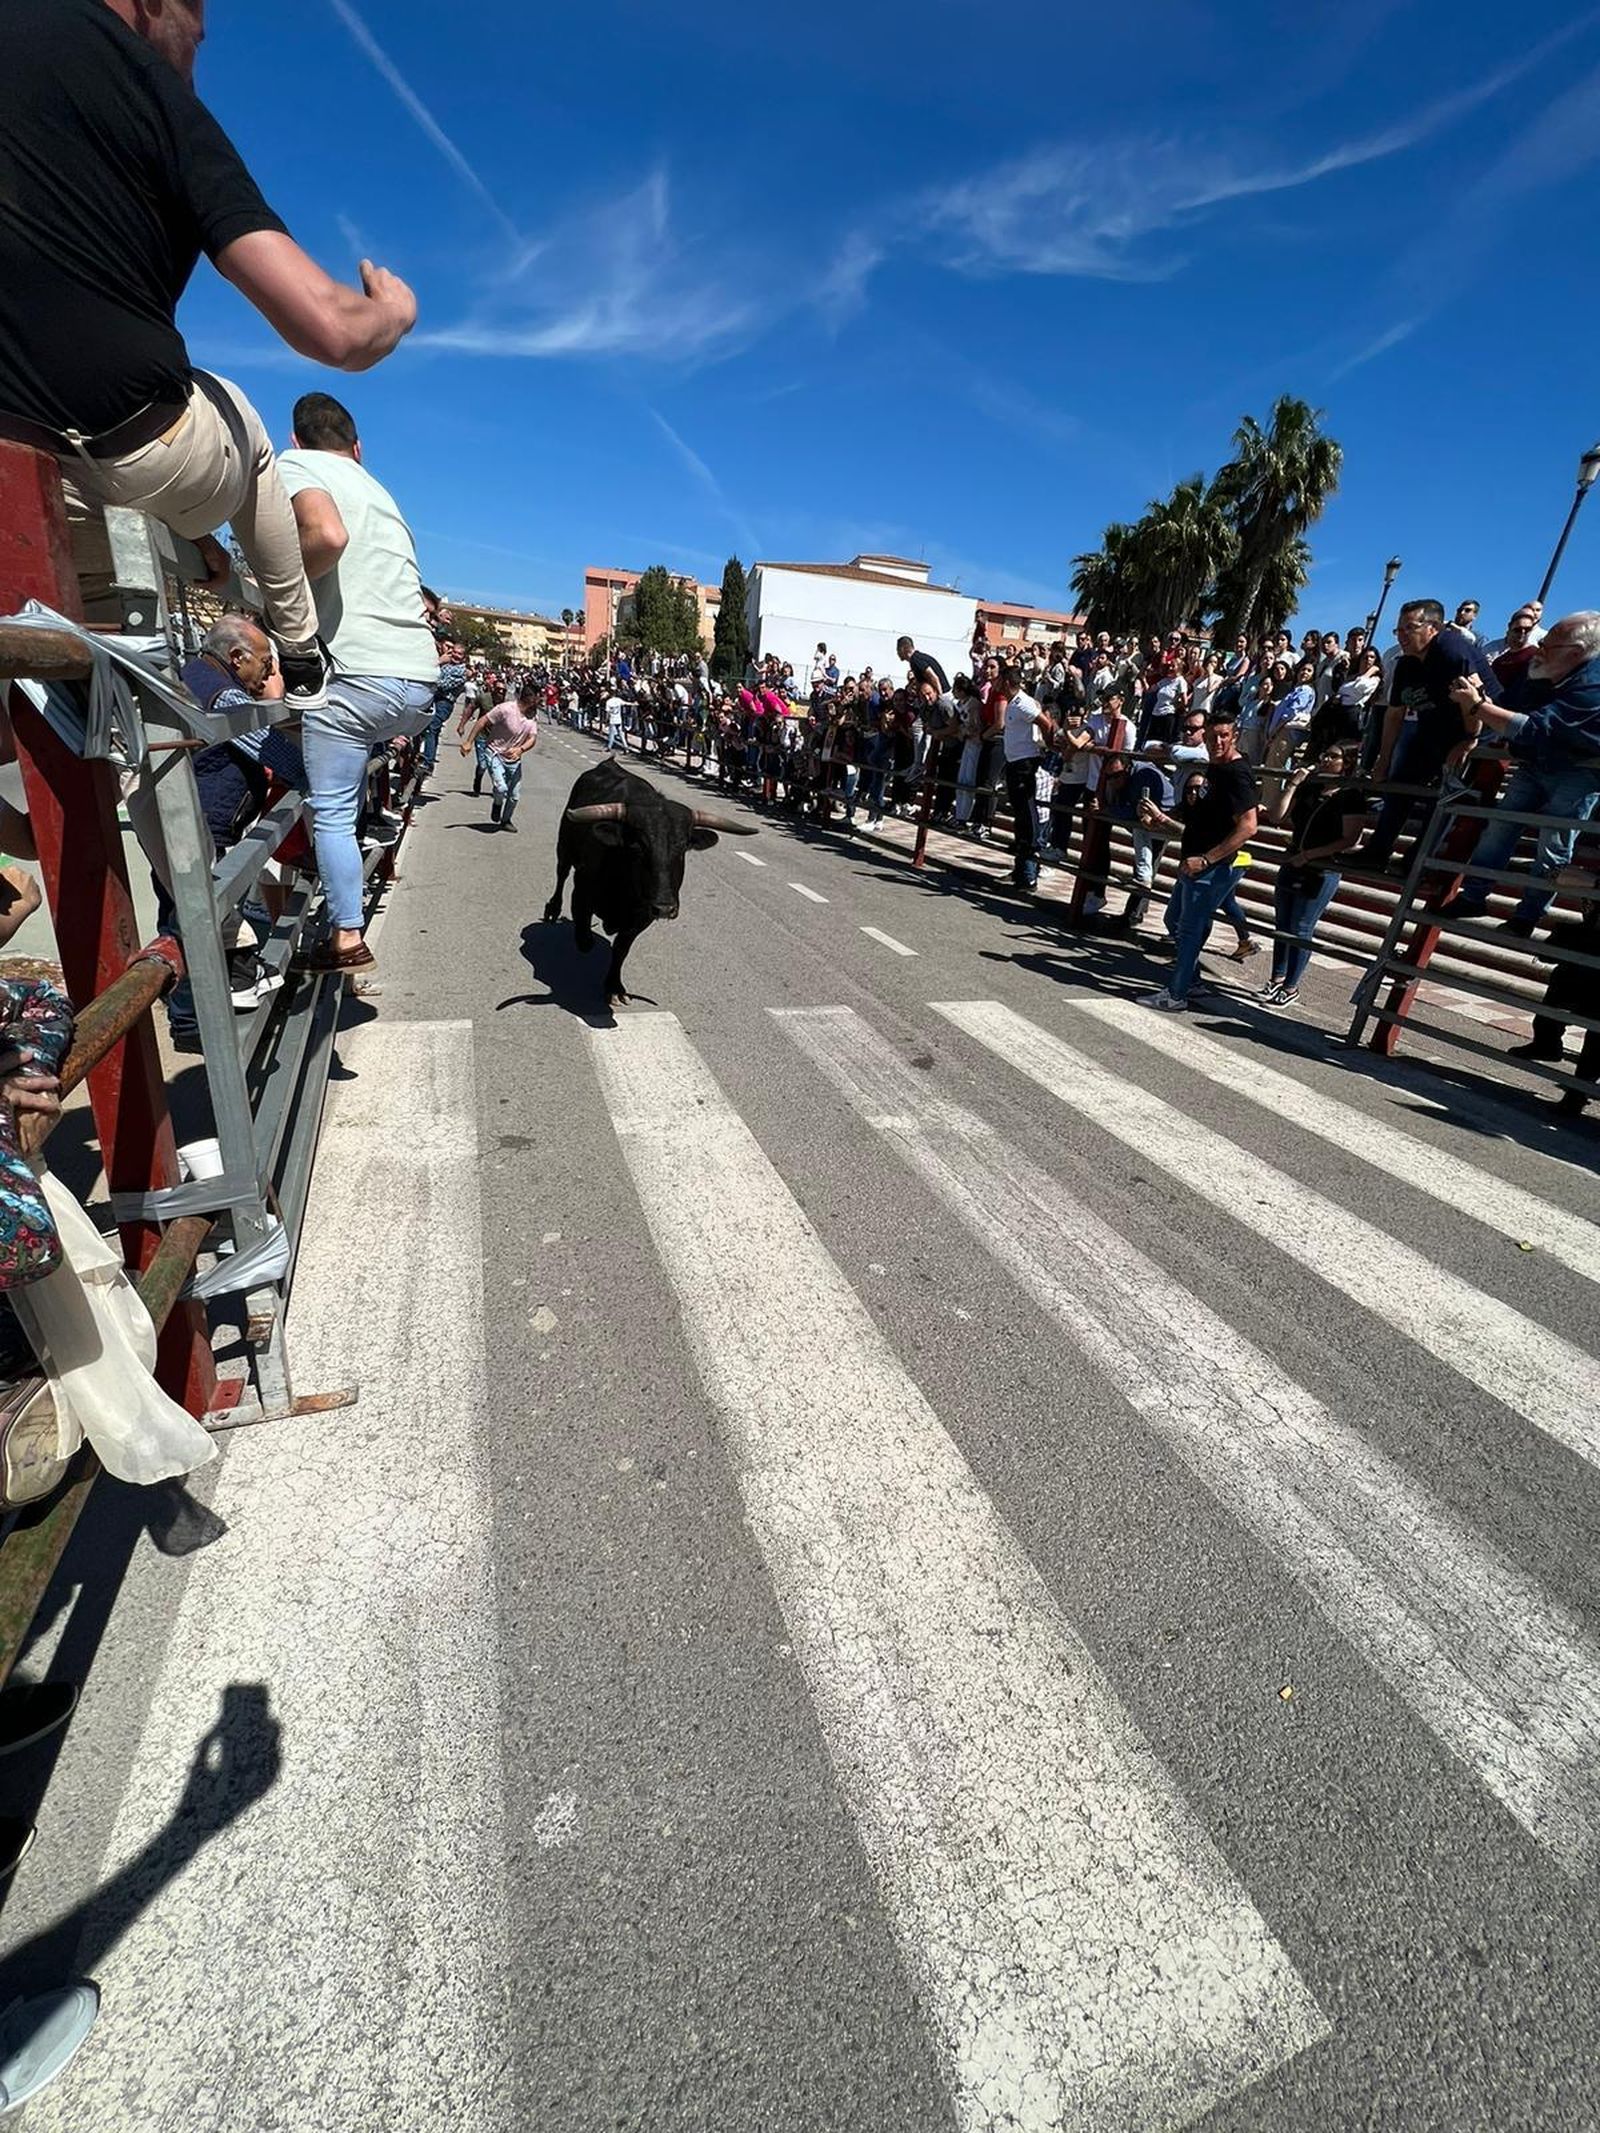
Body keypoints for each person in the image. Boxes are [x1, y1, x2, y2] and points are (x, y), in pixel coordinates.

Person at [0, 0, 417, 707]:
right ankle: (300, 645)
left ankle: (204, 564)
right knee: (247, 432)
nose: (199, 40)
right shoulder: (158, 94)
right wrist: (391, 312)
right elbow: (331, 329)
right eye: (198, 20)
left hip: (19, 459)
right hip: (134, 441)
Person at [277, 393, 436, 978]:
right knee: (352, 768)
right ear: (358, 447)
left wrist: (278, 586)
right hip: (418, 682)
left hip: (357, 678)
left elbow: (327, 536)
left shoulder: (296, 466)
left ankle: (345, 935)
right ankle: (375, 832)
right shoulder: (382, 492)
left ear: (297, 440)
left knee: (332, 813)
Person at [1447, 612, 1600, 934]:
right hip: (1534, 763)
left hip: (1579, 773)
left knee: (1553, 843)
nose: (1539, 647)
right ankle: (1473, 897)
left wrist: (1477, 707)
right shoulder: (1543, 668)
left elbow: (1533, 728)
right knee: (1499, 829)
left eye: (1548, 644)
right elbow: (1508, 704)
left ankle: (1528, 916)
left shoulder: (1593, 685)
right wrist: (1481, 693)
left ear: (1576, 653)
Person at [1363, 598, 1501, 871]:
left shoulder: (1452, 652)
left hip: (1476, 728)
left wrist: (1468, 740)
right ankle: (1376, 852)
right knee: (1400, 781)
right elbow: (1394, 714)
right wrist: (1383, 760)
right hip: (1433, 728)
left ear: (1433, 628)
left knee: (1444, 795)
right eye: (1398, 630)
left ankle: (1417, 862)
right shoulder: (1406, 664)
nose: (1402, 636)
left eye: (1409, 628)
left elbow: (1475, 702)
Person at [1138, 706, 1258, 1012]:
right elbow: (1204, 815)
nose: (1218, 742)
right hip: (1194, 860)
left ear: (1235, 736)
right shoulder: (1216, 768)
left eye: (1224, 736)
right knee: (1174, 920)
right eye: (1212, 736)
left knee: (1189, 927)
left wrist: (1206, 860)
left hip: (1210, 866)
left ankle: (1176, 994)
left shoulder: (1236, 773)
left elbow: (1248, 826)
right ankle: (1190, 981)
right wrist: (1162, 819)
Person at [1257, 742, 1369, 1008]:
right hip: (1294, 858)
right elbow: (1277, 816)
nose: (1325, 759)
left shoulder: (1350, 795)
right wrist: (1293, 785)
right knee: (1283, 923)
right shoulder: (1311, 786)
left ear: (1347, 763)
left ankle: (1291, 986)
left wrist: (1311, 855)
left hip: (1321, 867)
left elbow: (1350, 838)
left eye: (1333, 756)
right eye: (1324, 754)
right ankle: (1276, 978)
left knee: (1301, 927)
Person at [999, 664, 1053, 892]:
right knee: (1019, 815)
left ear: (1006, 682)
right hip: (1013, 763)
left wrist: (1049, 748)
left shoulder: (1023, 702)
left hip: (1025, 763)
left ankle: (1030, 872)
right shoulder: (1013, 704)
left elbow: (1045, 722)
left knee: (1028, 817)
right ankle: (1020, 870)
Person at [460, 680, 539, 833]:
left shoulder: (532, 716)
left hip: (514, 759)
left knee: (514, 796)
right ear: (529, 698)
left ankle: (506, 820)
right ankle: (497, 804)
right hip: (495, 753)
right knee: (501, 788)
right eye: (537, 698)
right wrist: (468, 742)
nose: (539, 701)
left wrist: (520, 750)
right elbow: (482, 721)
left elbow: (532, 738)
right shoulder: (505, 709)